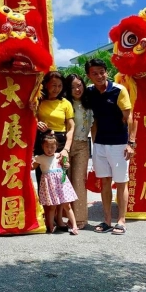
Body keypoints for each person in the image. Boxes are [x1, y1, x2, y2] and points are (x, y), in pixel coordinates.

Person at [85, 58, 136, 235]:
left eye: (102, 72)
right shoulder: (89, 92)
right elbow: (92, 118)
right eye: (94, 73)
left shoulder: (118, 90)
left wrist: (131, 143)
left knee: (121, 182)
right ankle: (107, 220)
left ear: (107, 72)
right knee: (105, 182)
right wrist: (94, 144)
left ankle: (121, 220)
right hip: (99, 144)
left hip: (119, 144)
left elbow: (130, 118)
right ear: (88, 76)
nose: (99, 76)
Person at [33, 71, 74, 228]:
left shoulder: (65, 103)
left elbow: (71, 127)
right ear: (46, 85)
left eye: (59, 86)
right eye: (53, 85)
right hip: (42, 142)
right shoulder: (39, 101)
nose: (56, 89)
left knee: (61, 181)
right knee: (44, 180)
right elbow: (30, 116)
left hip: (61, 143)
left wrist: (66, 149)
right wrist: (36, 123)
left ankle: (59, 218)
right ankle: (44, 217)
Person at [33, 130, 78, 235]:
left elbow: (66, 164)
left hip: (61, 185)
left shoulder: (59, 156)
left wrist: (66, 165)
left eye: (52, 147)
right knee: (52, 207)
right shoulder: (39, 158)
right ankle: (51, 225)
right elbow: (31, 167)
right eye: (47, 147)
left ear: (56, 147)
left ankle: (74, 225)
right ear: (42, 146)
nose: (49, 150)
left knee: (67, 205)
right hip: (50, 186)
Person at [64, 73, 93, 230]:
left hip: (82, 145)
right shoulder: (64, 103)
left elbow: (94, 127)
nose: (77, 89)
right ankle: (63, 218)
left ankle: (80, 219)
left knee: (79, 182)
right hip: (65, 146)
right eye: (73, 86)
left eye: (79, 85)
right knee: (64, 181)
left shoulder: (89, 103)